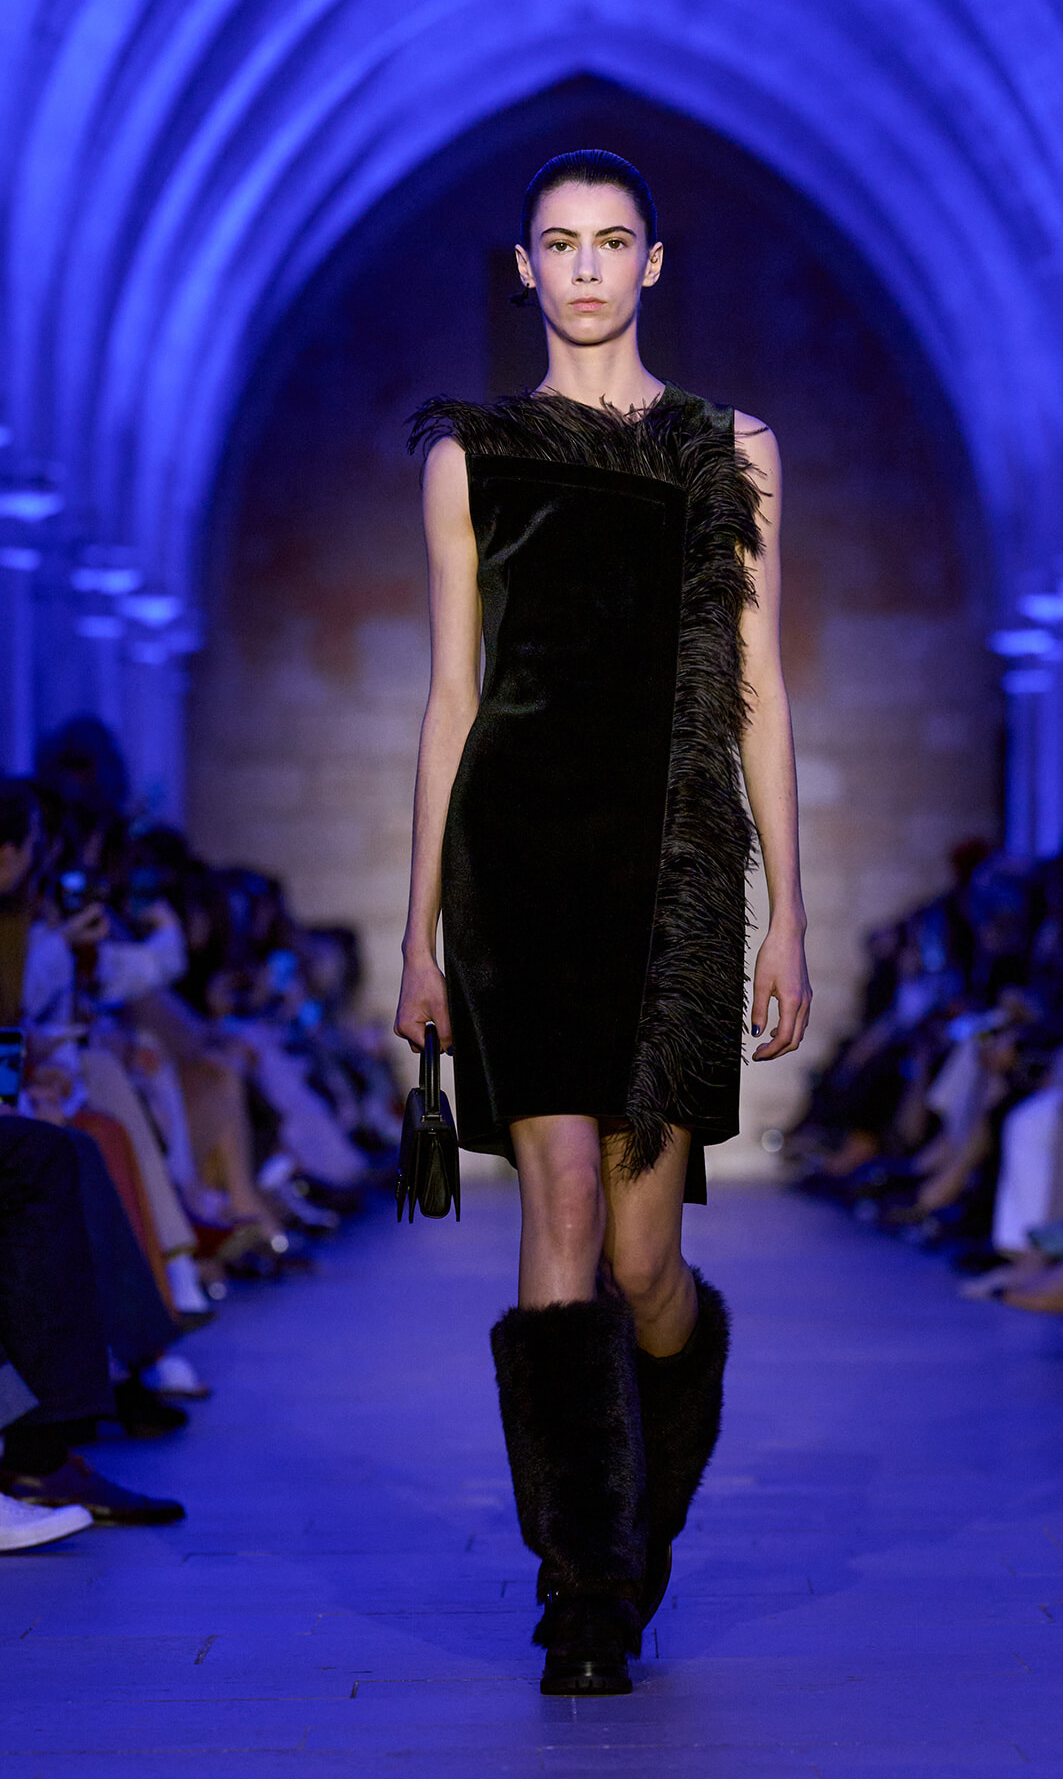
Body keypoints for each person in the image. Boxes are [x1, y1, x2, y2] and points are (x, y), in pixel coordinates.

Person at [394, 149, 811, 1695]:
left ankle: (636, 1524)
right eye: (556, 243)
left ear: (655, 262)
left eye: (611, 240)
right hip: (518, 868)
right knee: (558, 1202)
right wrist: (416, 933)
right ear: (521, 268)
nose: (583, 266)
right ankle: (582, 1598)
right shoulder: (471, 460)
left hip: (676, 879)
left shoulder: (731, 449)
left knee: (646, 1264)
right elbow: (451, 700)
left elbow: (761, 690)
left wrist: (793, 914)